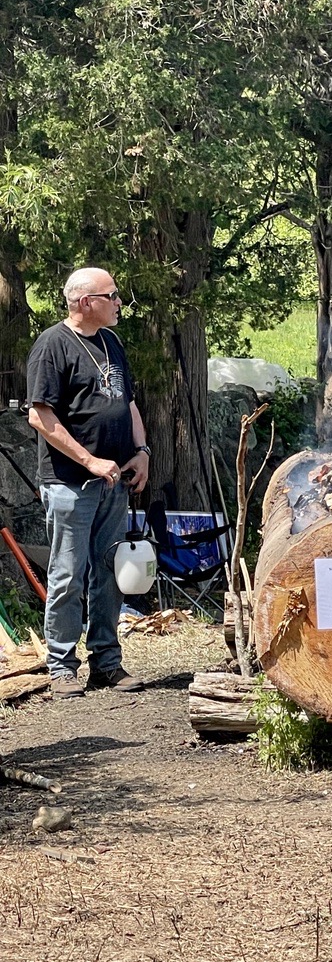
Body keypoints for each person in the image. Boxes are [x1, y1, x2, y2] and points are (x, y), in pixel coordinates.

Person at [26, 267, 151, 698]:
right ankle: (61, 667)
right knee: (67, 575)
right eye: (111, 295)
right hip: (69, 484)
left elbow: (127, 403)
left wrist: (142, 452)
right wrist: (90, 461)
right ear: (85, 302)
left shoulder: (111, 342)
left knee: (111, 574)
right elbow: (40, 416)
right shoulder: (52, 346)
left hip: (113, 481)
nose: (119, 302)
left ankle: (107, 663)